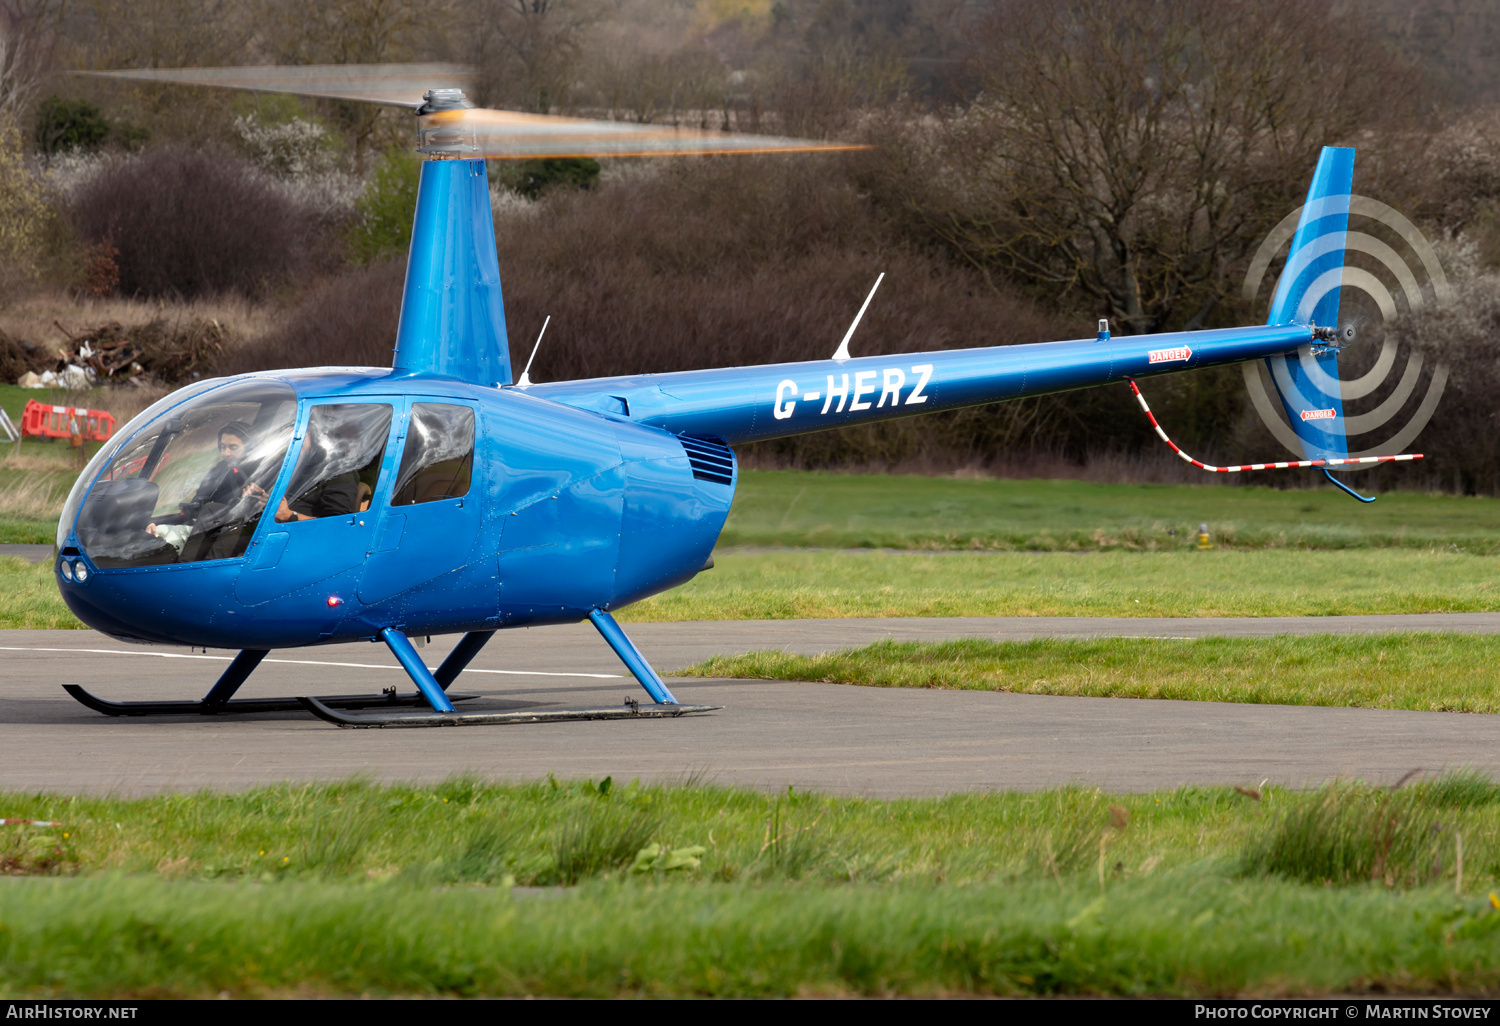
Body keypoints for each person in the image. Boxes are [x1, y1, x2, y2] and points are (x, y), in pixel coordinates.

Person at [146, 422, 268, 544]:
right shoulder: (221, 470)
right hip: (211, 532)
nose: (226, 453)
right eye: (223, 447)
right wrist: (156, 524)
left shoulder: (266, 471)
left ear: (249, 447)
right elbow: (195, 507)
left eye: (233, 448)